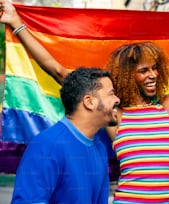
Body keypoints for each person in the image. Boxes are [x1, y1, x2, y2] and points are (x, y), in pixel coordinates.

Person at [0, 1, 169, 203]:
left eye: (155, 69)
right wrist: (16, 22)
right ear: (129, 76)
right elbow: (58, 71)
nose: (152, 75)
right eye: (144, 70)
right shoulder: (115, 117)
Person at [11, 67, 120, 204]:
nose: (117, 99)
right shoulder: (47, 145)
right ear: (89, 102)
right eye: (111, 94)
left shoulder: (99, 147)